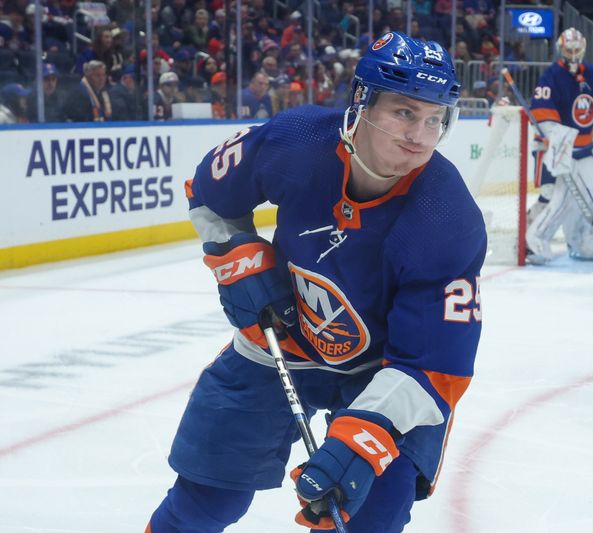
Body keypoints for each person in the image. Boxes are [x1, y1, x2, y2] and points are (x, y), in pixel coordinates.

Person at [146, 31, 485, 532]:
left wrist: (365, 436)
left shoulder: (447, 218)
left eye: (435, 118)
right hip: (280, 337)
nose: (420, 133)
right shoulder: (297, 139)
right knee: (205, 501)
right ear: (361, 103)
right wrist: (235, 259)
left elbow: (434, 369)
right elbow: (211, 192)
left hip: (384, 372)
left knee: (370, 517)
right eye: (404, 112)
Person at [525, 27, 593, 265]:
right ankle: (534, 243)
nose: (572, 53)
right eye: (568, 49)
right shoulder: (551, 77)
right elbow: (544, 119)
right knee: (557, 199)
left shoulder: (592, 74)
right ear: (561, 49)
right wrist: (559, 144)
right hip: (555, 151)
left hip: (583, 151)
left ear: (582, 48)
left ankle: (585, 242)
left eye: (576, 49)